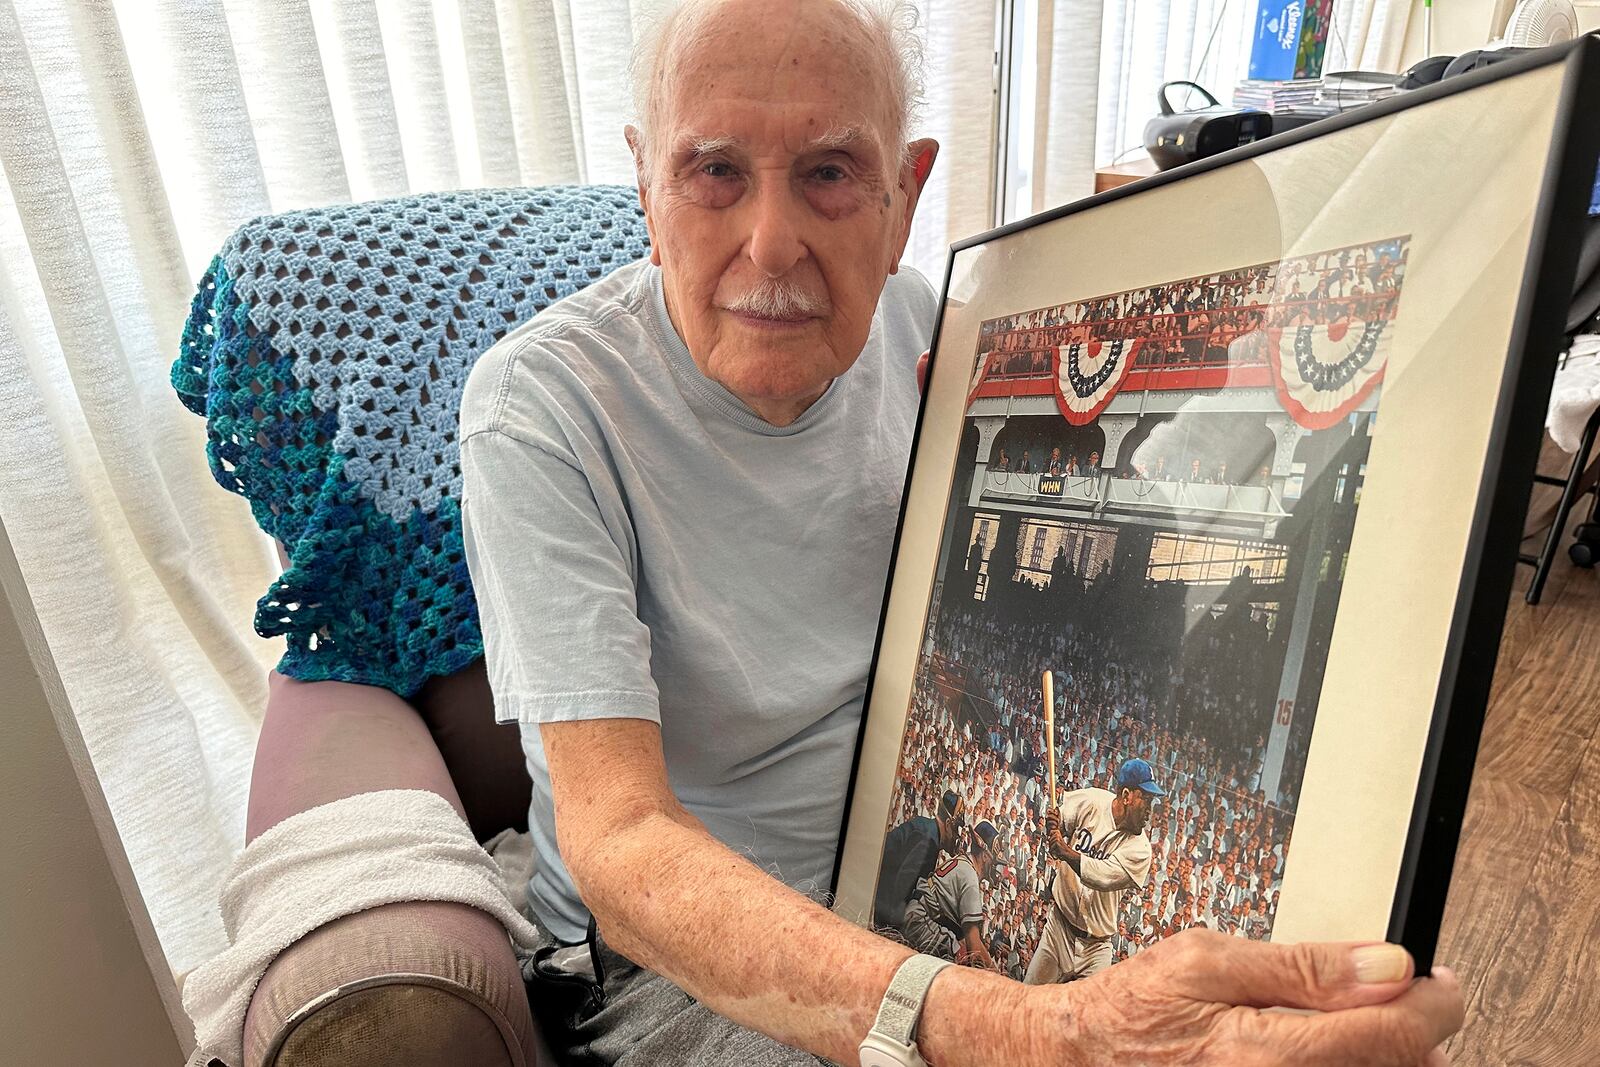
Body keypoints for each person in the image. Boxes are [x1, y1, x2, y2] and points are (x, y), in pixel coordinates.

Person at [459, 1, 1464, 1064]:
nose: (772, 242)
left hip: (914, 874)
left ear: (904, 198)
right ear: (647, 193)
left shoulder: (938, 330)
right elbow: (623, 847)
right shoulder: (541, 404)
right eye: (713, 170)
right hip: (688, 952)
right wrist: (1037, 1031)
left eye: (830, 172)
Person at [1026, 758, 1162, 984]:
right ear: (1126, 796)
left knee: (1089, 1018)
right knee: (1028, 998)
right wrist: (1053, 827)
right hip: (1059, 929)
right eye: (1146, 800)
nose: (1150, 811)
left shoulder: (1141, 850)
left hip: (1096, 949)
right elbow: (1058, 826)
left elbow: (1101, 877)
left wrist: (1065, 851)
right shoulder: (1091, 801)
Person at [898, 818, 1003, 970]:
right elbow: (974, 946)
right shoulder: (970, 877)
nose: (996, 870)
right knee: (953, 960)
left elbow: (967, 938)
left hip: (917, 914)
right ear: (985, 856)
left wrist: (992, 968)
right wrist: (992, 976)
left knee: (956, 945)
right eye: (996, 863)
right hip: (919, 921)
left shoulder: (963, 862)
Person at [877, 790, 966, 932]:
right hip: (879, 908)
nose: (957, 837)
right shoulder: (929, 841)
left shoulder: (927, 829)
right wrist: (889, 929)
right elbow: (901, 888)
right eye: (956, 830)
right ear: (948, 824)